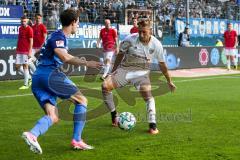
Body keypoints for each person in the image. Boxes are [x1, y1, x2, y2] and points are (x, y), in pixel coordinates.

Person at [21, 9, 101, 154]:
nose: (78, 26)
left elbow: (60, 53)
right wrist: (86, 63)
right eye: (78, 23)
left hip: (38, 78)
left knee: (53, 116)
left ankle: (32, 134)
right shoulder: (59, 36)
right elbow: (64, 56)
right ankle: (77, 140)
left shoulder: (57, 36)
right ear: (73, 22)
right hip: (50, 75)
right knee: (82, 100)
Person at [101, 18, 176, 135]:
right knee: (105, 86)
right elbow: (120, 54)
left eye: (144, 32)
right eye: (139, 31)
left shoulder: (156, 45)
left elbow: (162, 65)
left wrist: (169, 81)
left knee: (147, 94)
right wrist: (113, 71)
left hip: (142, 73)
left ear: (150, 30)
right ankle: (114, 115)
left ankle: (152, 125)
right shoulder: (129, 39)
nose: (141, 34)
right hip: (125, 70)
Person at [15, 16, 33, 90]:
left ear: (27, 21)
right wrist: (17, 48)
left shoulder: (29, 29)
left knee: (25, 66)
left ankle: (26, 85)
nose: (23, 22)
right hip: (19, 50)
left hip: (26, 51)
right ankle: (29, 77)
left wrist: (30, 52)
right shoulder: (20, 28)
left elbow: (31, 41)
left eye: (25, 21)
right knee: (17, 67)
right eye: (22, 21)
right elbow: (19, 39)